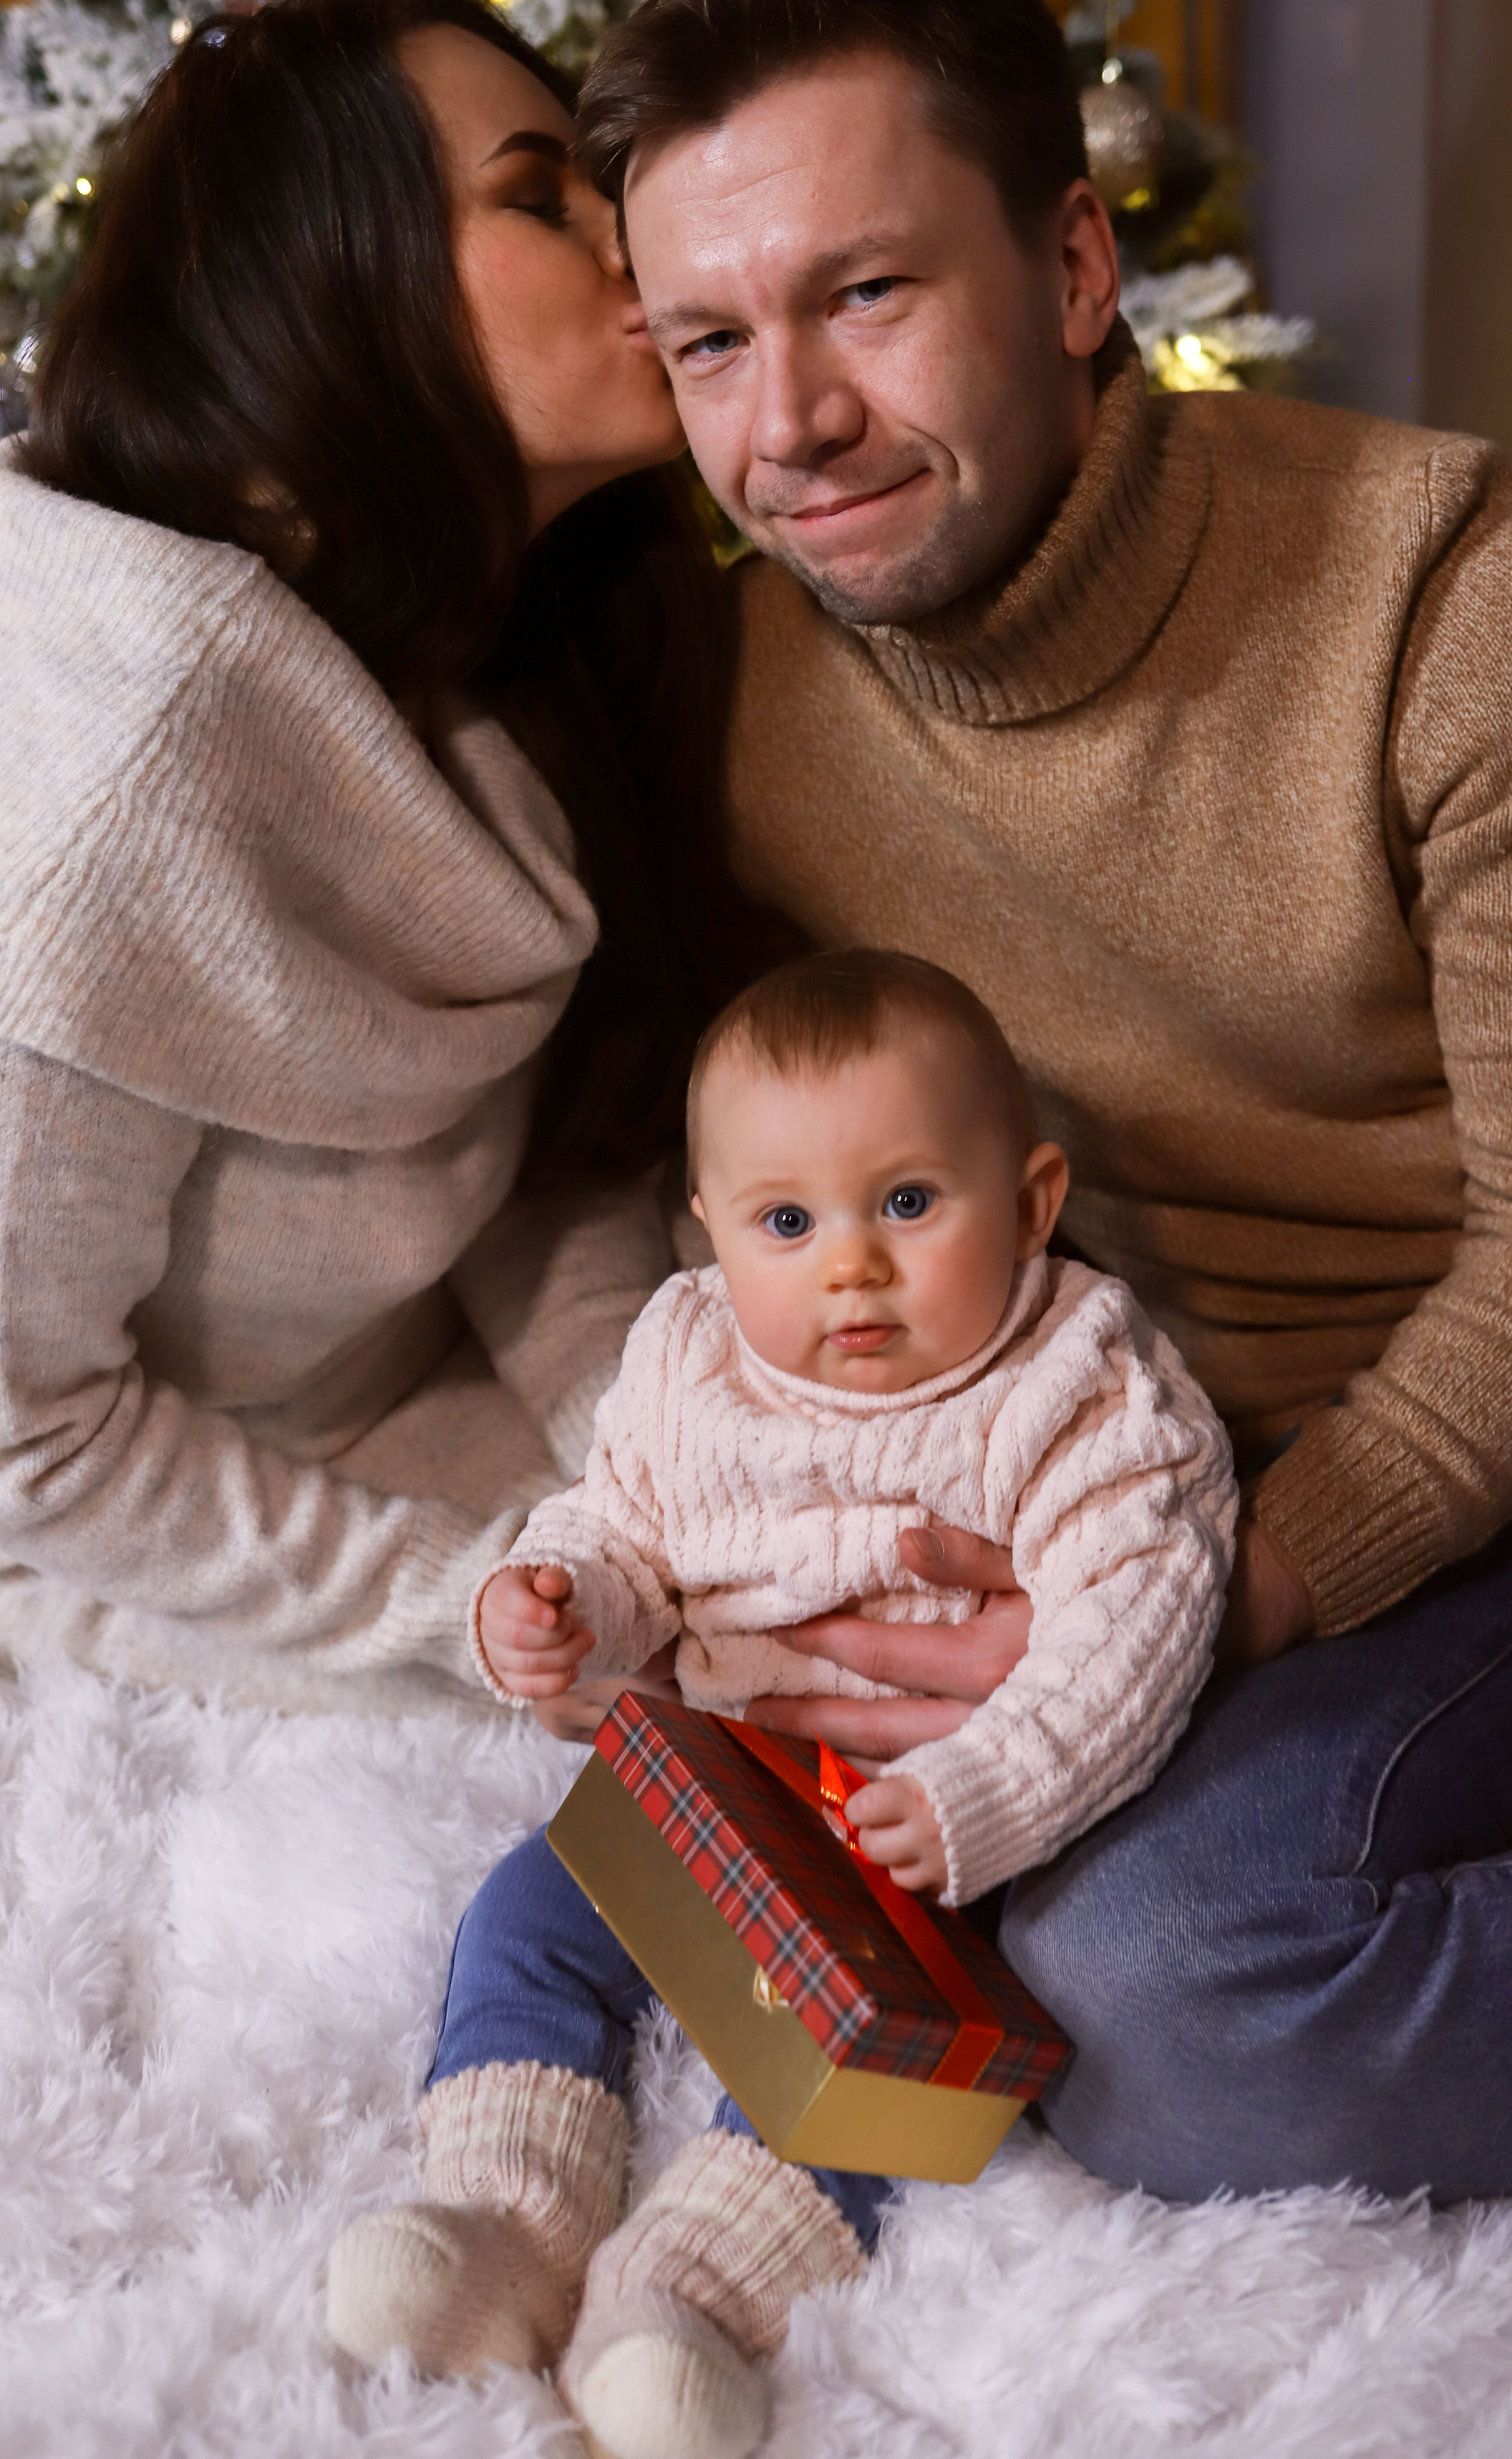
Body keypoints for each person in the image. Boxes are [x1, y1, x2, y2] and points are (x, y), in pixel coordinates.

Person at [569, 0, 1512, 2203]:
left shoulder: (1439, 593)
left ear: (1074, 264)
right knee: (688, 1871)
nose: (787, 427)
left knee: (1170, 1996)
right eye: (709, 340)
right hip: (1096, 1455)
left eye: (866, 294)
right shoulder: (743, 689)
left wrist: (1201, 1616)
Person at [0, 0, 780, 1712]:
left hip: (411, 1446)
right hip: (90, 1569)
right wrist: (494, 1602)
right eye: (536, 194)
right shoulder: (77, 815)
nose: (632, 237)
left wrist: (667, 1460)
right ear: (323, 284)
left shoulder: (514, 662)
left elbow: (546, 1170)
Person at [324, 950, 1236, 2457]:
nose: (848, 1268)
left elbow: (1134, 1626)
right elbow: (621, 1526)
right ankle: (502, 2219)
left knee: (868, 2069)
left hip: (926, 1836)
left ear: (1031, 1199)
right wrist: (554, 1604)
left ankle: (691, 2298)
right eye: (787, 1222)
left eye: (906, 1204)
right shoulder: (691, 1357)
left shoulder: (1079, 1390)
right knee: (532, 1910)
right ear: (711, 1231)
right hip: (728, 1782)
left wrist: (983, 1791)